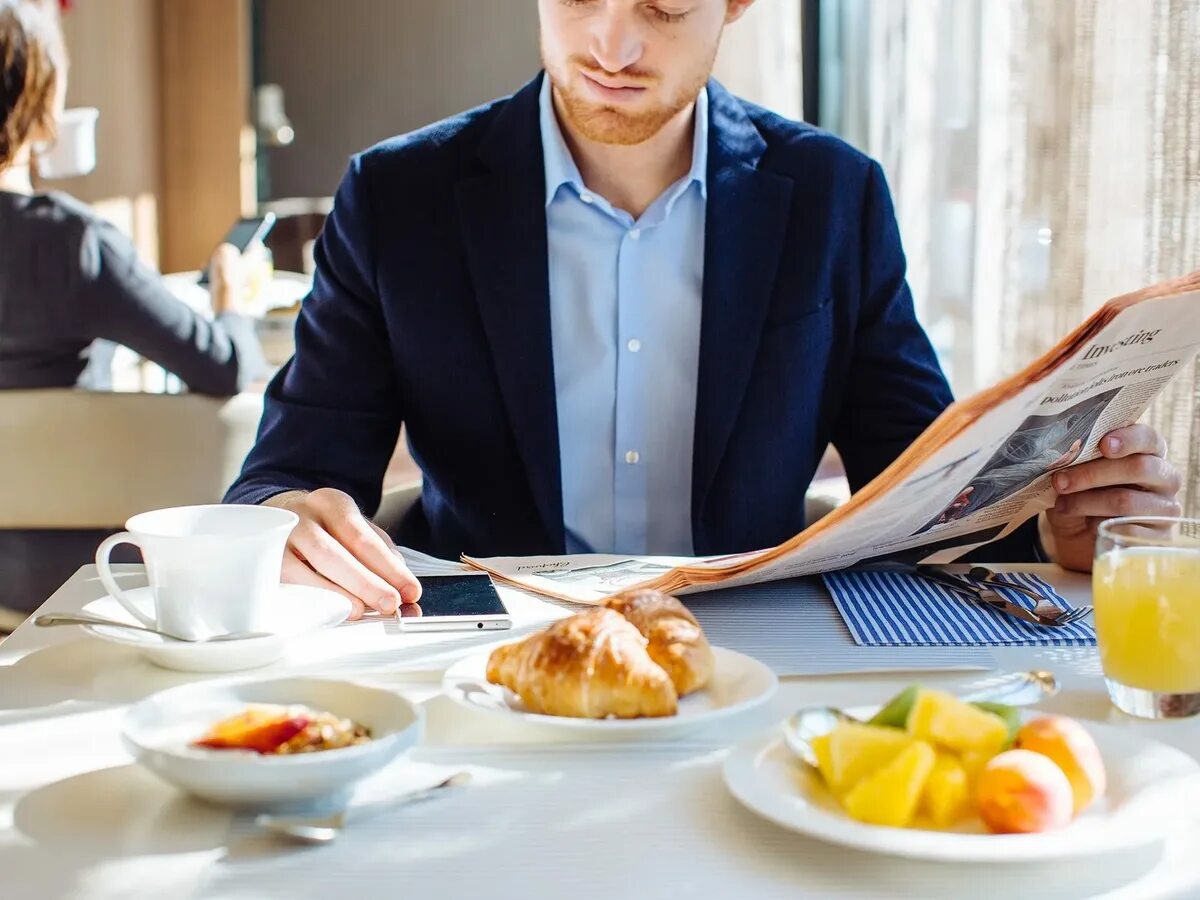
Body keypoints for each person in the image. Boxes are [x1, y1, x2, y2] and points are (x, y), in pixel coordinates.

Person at [225, 0, 1182, 619]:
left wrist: (1051, 526)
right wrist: (283, 518)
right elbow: (287, 472)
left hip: (756, 663)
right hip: (482, 667)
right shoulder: (397, 198)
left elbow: (921, 487)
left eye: (663, 6)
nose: (611, 43)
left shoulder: (832, 195)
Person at [0, 0, 266, 396]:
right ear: (41, 100)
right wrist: (228, 294)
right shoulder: (76, 247)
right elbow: (226, 368)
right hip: (79, 459)